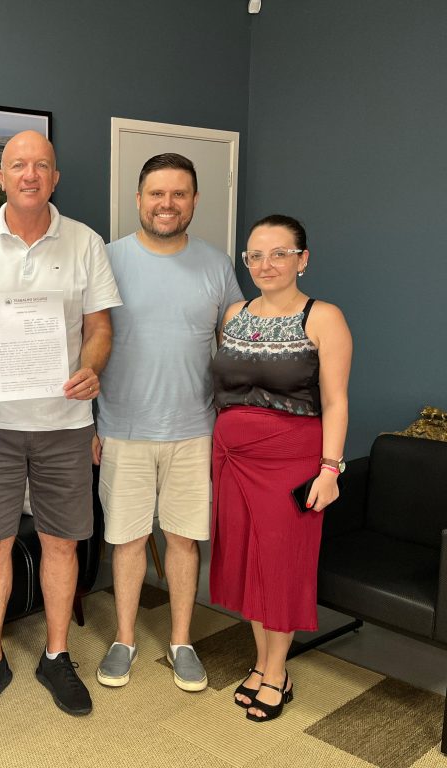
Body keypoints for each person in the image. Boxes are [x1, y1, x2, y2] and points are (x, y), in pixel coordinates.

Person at [0, 130, 121, 718]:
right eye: (18, 165)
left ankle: (56, 654)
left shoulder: (85, 242)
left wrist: (91, 369)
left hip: (65, 422)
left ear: (54, 177)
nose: (29, 174)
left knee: (61, 542)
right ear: (1, 176)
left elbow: (99, 328)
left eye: (41, 165)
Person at [93, 153, 243, 692]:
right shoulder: (106, 259)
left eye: (179, 194)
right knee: (128, 540)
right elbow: (85, 343)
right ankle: (124, 639)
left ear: (195, 200)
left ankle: (182, 641)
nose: (167, 203)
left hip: (195, 430)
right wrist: (88, 424)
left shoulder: (216, 265)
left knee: (184, 539)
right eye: (157, 193)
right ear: (139, 199)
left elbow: (235, 346)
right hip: (122, 428)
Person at [210, 214, 352, 722]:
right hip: (231, 459)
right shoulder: (235, 313)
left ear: (302, 259)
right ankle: (262, 661)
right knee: (249, 562)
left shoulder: (323, 317)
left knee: (280, 563)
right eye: (255, 255)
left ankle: (277, 673)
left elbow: (335, 401)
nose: (265, 264)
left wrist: (330, 470)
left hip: (290, 459)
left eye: (279, 253)